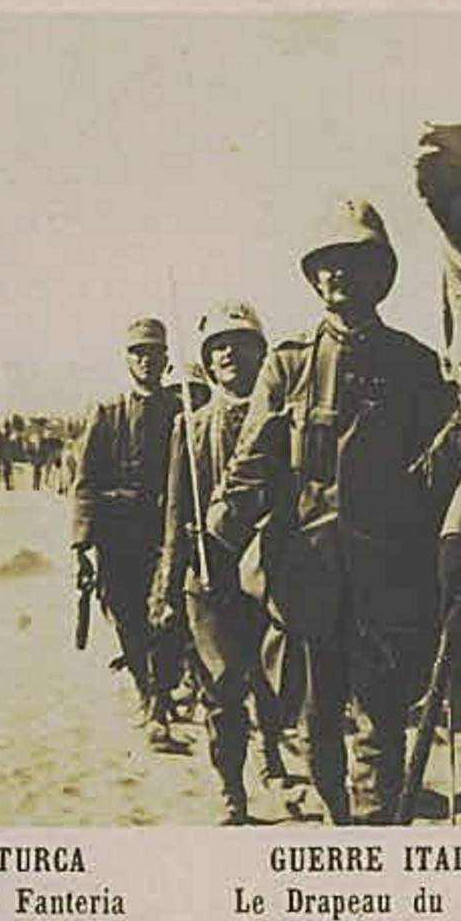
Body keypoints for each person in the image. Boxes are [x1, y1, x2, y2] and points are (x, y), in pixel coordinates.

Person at [201, 198, 457, 825]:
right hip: (308, 574)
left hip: (388, 575)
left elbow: (443, 470)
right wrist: (223, 523)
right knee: (316, 723)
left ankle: (370, 829)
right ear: (313, 276)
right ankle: (339, 817)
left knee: (381, 718)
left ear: (381, 275)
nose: (338, 276)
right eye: (327, 264)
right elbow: (253, 458)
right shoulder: (287, 364)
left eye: (355, 262)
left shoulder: (415, 364)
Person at [151, 301, 291, 825]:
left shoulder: (283, 420)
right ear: (207, 363)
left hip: (274, 571)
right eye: (217, 347)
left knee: (275, 680)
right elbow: (174, 516)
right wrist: (167, 590)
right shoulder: (189, 428)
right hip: (209, 579)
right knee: (223, 688)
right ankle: (233, 791)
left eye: (241, 343)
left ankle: (273, 750)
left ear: (262, 352)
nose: (229, 353)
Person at [71, 317, 188, 744]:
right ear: (127, 359)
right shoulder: (107, 413)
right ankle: (145, 690)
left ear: (166, 360)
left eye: (154, 353)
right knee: (127, 616)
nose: (147, 360)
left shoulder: (180, 412)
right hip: (118, 533)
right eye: (139, 353)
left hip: (167, 529)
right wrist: (82, 542)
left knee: (168, 615)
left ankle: (159, 702)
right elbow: (85, 480)